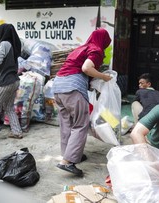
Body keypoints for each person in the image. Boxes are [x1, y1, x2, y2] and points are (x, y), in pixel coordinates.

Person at [52, 28, 112, 176]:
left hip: (58, 86)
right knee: (80, 124)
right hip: (73, 88)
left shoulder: (81, 48)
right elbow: (86, 68)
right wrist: (104, 77)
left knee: (67, 123)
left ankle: (69, 154)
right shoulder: (96, 49)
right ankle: (68, 162)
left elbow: (77, 67)